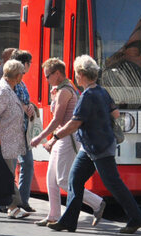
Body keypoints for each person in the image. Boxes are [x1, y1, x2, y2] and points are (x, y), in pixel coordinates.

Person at [48, 55, 141, 234]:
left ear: (81, 74)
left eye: (77, 74)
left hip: (98, 146)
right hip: (93, 145)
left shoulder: (87, 96)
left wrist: (55, 136)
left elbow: (74, 123)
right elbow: (115, 113)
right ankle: (68, 221)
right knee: (75, 179)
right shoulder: (102, 91)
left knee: (113, 183)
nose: (76, 77)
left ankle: (137, 218)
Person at [30, 58, 105, 227]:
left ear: (57, 74)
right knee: (51, 178)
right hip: (62, 137)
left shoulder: (65, 91)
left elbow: (57, 120)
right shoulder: (65, 87)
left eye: (48, 76)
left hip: (67, 138)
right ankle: (53, 215)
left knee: (63, 180)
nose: (46, 79)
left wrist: (40, 137)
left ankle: (97, 203)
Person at [0, 59, 30, 219]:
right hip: (1, 141)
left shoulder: (9, 88)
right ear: (16, 75)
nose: (23, 76)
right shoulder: (2, 90)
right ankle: (14, 208)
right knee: (7, 175)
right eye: (21, 73)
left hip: (8, 141)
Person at [10, 49, 37, 213]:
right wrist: (25, 106)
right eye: (29, 64)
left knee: (27, 165)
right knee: (11, 167)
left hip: (23, 131)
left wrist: (30, 106)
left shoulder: (21, 82)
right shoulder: (11, 81)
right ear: (24, 64)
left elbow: (23, 100)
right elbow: (10, 101)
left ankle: (22, 202)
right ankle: (8, 201)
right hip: (14, 131)